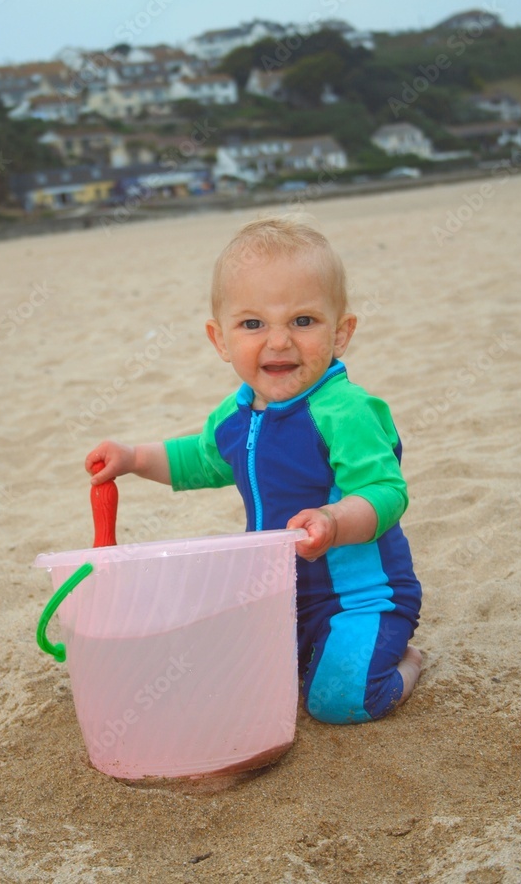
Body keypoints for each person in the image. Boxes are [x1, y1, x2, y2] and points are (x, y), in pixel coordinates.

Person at [85, 218, 422, 725]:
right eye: (253, 324)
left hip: (360, 598)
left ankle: (409, 663)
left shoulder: (345, 411)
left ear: (341, 333)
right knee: (228, 679)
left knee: (338, 701)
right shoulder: (236, 414)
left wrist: (333, 520)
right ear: (220, 340)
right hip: (277, 597)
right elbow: (199, 459)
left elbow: (385, 491)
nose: (280, 341)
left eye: (304, 321)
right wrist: (133, 458)